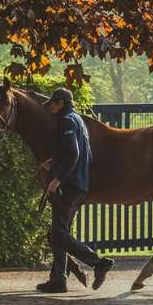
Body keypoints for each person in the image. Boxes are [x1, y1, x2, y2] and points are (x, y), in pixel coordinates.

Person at [37, 87, 113, 293]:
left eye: (52, 103)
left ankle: (98, 262)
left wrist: (58, 179)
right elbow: (77, 153)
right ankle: (58, 280)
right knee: (57, 234)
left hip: (69, 186)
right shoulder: (78, 120)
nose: (50, 107)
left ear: (60, 102)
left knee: (59, 234)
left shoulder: (66, 121)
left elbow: (74, 153)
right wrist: (54, 163)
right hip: (79, 184)